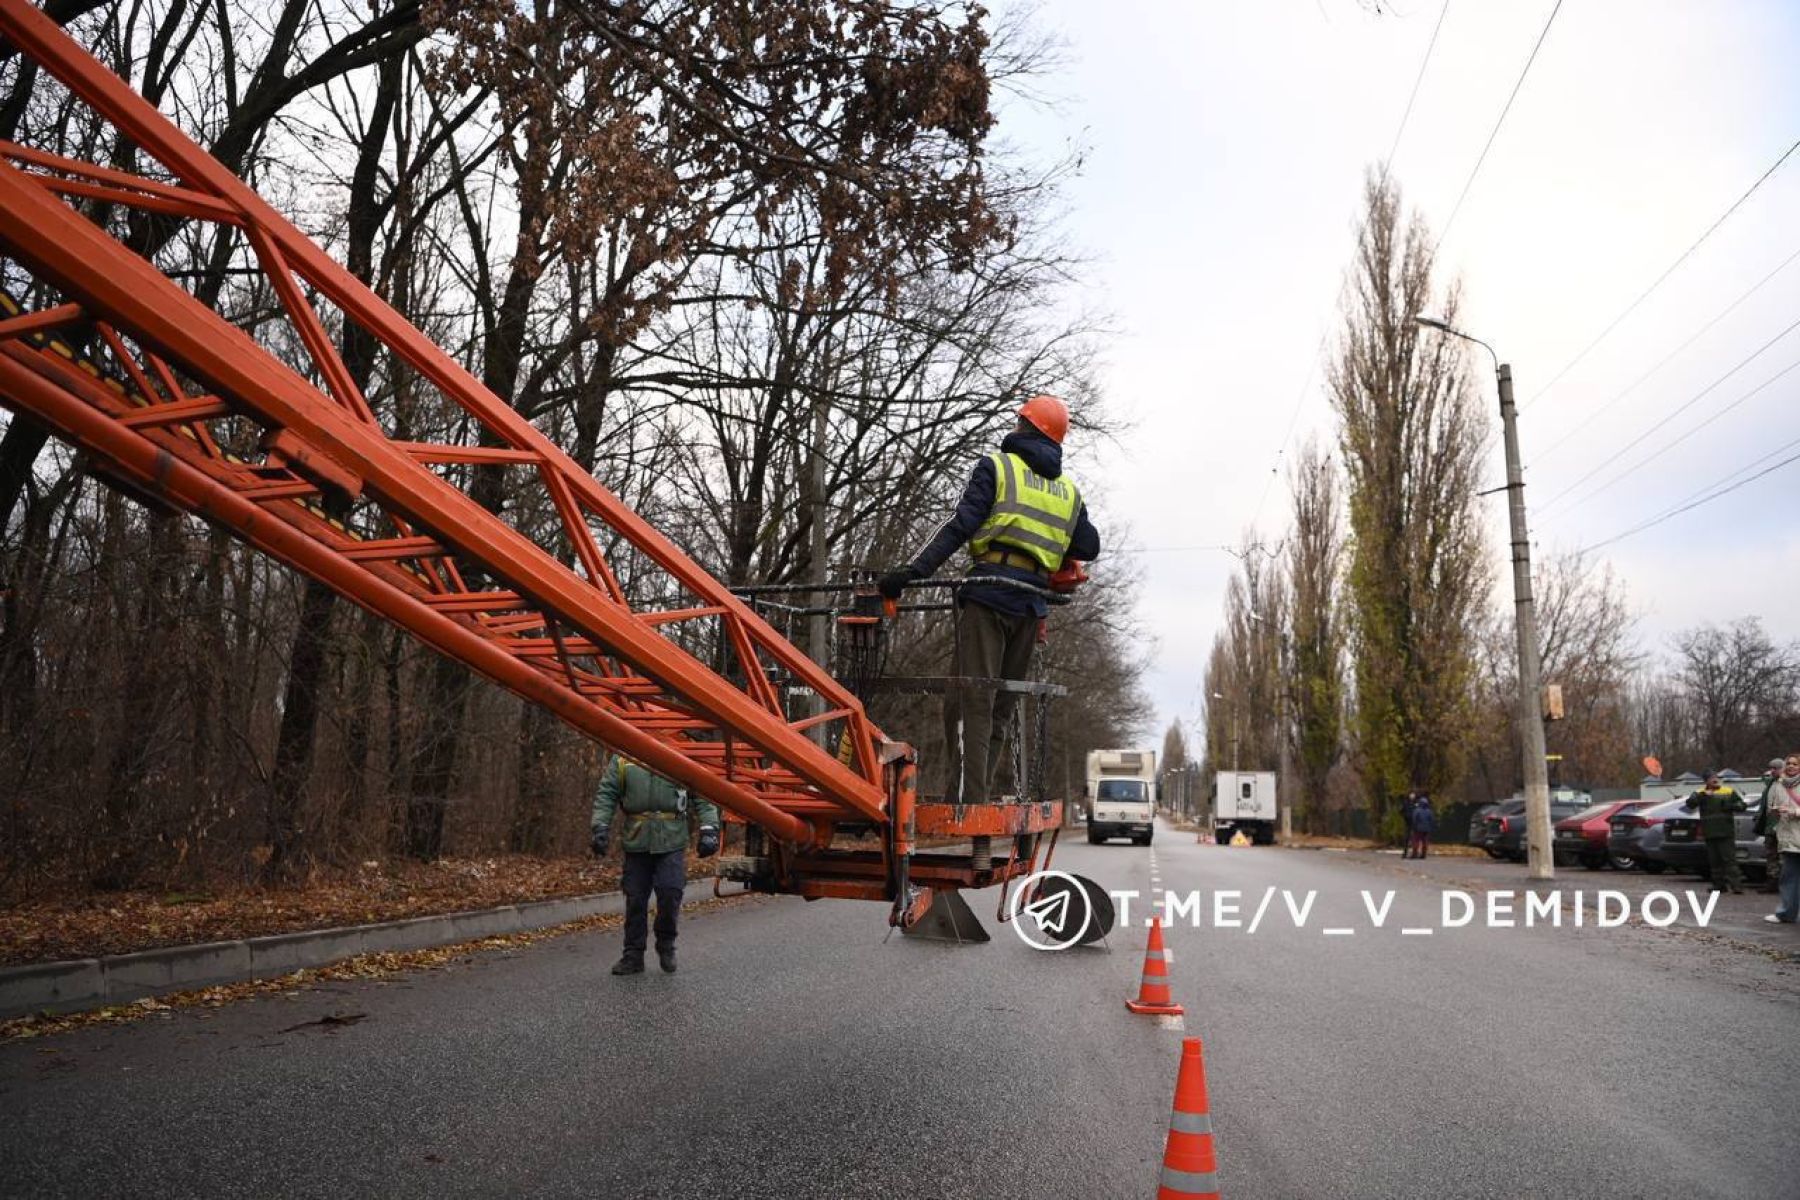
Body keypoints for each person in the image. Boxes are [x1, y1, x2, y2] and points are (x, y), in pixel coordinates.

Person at [878, 395, 1100, 804]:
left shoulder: (997, 467)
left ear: (1024, 426)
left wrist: (910, 575)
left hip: (989, 595)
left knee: (968, 702)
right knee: (1000, 707)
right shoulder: (1068, 490)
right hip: (1031, 606)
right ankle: (973, 801)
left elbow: (960, 525)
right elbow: (1089, 544)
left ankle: (966, 803)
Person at [591, 754, 720, 975]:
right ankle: (633, 955)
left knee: (670, 891)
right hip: (637, 839)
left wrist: (709, 829)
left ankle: (666, 943)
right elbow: (607, 792)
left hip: (672, 839)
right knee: (636, 898)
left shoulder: (681, 754)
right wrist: (600, 826)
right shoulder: (623, 757)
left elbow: (701, 794)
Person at [1682, 771, 1746, 894]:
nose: (1715, 780)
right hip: (1710, 832)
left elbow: (1742, 805)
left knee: (1729, 860)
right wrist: (1701, 796)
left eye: (1716, 777)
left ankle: (1736, 886)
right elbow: (1690, 804)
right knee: (1714, 861)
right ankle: (1719, 885)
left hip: (1725, 832)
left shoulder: (1727, 791)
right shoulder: (1700, 793)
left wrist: (1729, 805)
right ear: (1706, 781)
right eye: (1711, 778)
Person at [1764, 753, 1800, 925]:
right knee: (1789, 878)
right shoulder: (1779, 784)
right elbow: (1773, 805)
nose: (1791, 766)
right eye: (1788, 764)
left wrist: (1794, 812)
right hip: (1788, 838)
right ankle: (1786, 913)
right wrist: (1775, 810)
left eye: (1795, 764)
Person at [1754, 757, 1785, 894]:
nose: (1772, 771)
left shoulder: (1788, 784)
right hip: (1770, 824)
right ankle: (1772, 881)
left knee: (1785, 855)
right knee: (1771, 854)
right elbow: (1763, 779)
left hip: (1783, 824)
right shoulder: (1771, 783)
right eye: (1771, 768)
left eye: (1776, 768)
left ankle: (1786, 883)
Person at [1406, 792, 1435, 860]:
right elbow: (1432, 820)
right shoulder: (1429, 811)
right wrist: (1430, 827)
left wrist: (1414, 827)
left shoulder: (1417, 810)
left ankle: (1415, 854)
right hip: (1426, 829)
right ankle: (1423, 854)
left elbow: (1414, 819)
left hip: (1418, 829)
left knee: (1416, 841)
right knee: (1425, 842)